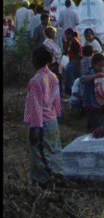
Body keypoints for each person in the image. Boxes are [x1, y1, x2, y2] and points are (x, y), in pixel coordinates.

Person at [23, 46, 64, 188]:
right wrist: (57, 117)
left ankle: (49, 182)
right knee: (53, 150)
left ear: (36, 60)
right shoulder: (53, 76)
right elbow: (57, 101)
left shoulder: (35, 81)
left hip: (40, 124)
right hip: (52, 121)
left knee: (40, 154)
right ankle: (47, 179)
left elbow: (35, 106)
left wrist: (35, 128)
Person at [80, 53, 104, 131]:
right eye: (99, 65)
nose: (101, 68)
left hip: (100, 105)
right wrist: (95, 76)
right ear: (93, 64)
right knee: (94, 125)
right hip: (90, 103)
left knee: (101, 124)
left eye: (103, 66)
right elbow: (82, 79)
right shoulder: (90, 73)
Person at [63, 28, 83, 97]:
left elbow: (79, 56)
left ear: (70, 35)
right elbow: (66, 52)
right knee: (69, 80)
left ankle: (75, 96)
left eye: (66, 35)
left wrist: (78, 67)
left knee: (73, 81)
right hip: (71, 62)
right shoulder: (70, 42)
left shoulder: (75, 43)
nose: (65, 36)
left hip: (75, 63)